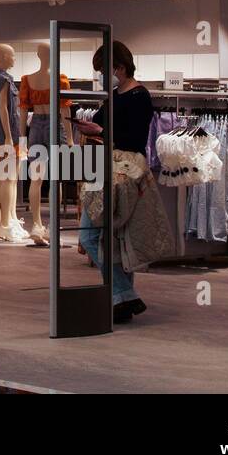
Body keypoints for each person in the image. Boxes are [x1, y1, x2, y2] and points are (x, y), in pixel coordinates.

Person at [73, 41, 155, 323]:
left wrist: (101, 130)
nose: (101, 76)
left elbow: (134, 140)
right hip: (107, 167)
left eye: (104, 70)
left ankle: (124, 296)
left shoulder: (139, 97)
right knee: (109, 238)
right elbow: (100, 122)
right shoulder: (114, 95)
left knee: (93, 235)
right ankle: (122, 299)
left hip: (124, 170)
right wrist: (92, 127)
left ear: (119, 67)